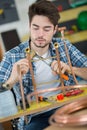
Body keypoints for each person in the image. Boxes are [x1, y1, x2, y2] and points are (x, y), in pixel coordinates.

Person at [0, 0, 87, 130]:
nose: (40, 34)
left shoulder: (64, 46)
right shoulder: (12, 56)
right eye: (36, 28)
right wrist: (12, 80)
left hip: (68, 107)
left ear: (55, 29)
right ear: (29, 26)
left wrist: (71, 69)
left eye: (46, 29)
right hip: (35, 117)